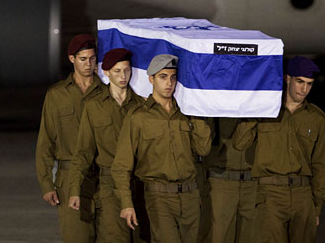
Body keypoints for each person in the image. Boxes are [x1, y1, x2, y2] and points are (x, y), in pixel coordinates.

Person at [112, 54, 212, 243]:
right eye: (163, 77)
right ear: (151, 79)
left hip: (190, 196)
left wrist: (197, 114)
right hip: (158, 197)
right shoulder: (138, 117)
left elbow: (203, 149)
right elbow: (121, 165)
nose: (169, 83)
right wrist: (126, 203)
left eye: (173, 77)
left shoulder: (186, 113)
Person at [233, 56, 325, 243]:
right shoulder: (265, 110)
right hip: (270, 194)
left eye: (309, 84)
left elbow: (321, 164)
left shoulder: (316, 118)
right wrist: (256, 110)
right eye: (300, 82)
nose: (304, 89)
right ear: (287, 78)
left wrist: (316, 207)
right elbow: (240, 143)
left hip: (303, 195)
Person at [68, 48, 144, 243]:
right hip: (109, 183)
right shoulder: (94, 106)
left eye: (127, 70)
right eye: (117, 71)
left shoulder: (141, 106)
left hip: (141, 182)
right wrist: (74, 188)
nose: (123, 76)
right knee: (114, 236)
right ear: (107, 72)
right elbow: (83, 151)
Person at [36, 34, 103, 243]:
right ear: (72, 59)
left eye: (92, 58)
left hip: (104, 178)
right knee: (76, 237)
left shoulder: (107, 92)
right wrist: (46, 184)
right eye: (83, 59)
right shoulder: (56, 95)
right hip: (69, 177)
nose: (88, 64)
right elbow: (45, 141)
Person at [202, 117, 257, 243]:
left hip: (253, 183)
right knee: (218, 236)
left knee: (252, 236)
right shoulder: (215, 106)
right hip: (221, 182)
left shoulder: (263, 106)